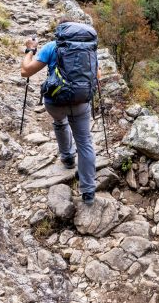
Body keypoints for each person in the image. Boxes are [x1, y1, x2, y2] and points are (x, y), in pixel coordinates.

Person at [20, 17, 98, 205]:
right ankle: (88, 191)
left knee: (60, 122)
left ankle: (68, 157)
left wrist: (30, 50)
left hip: (55, 102)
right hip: (80, 101)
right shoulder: (88, 48)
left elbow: (25, 72)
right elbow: (98, 76)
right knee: (85, 141)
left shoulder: (51, 47)